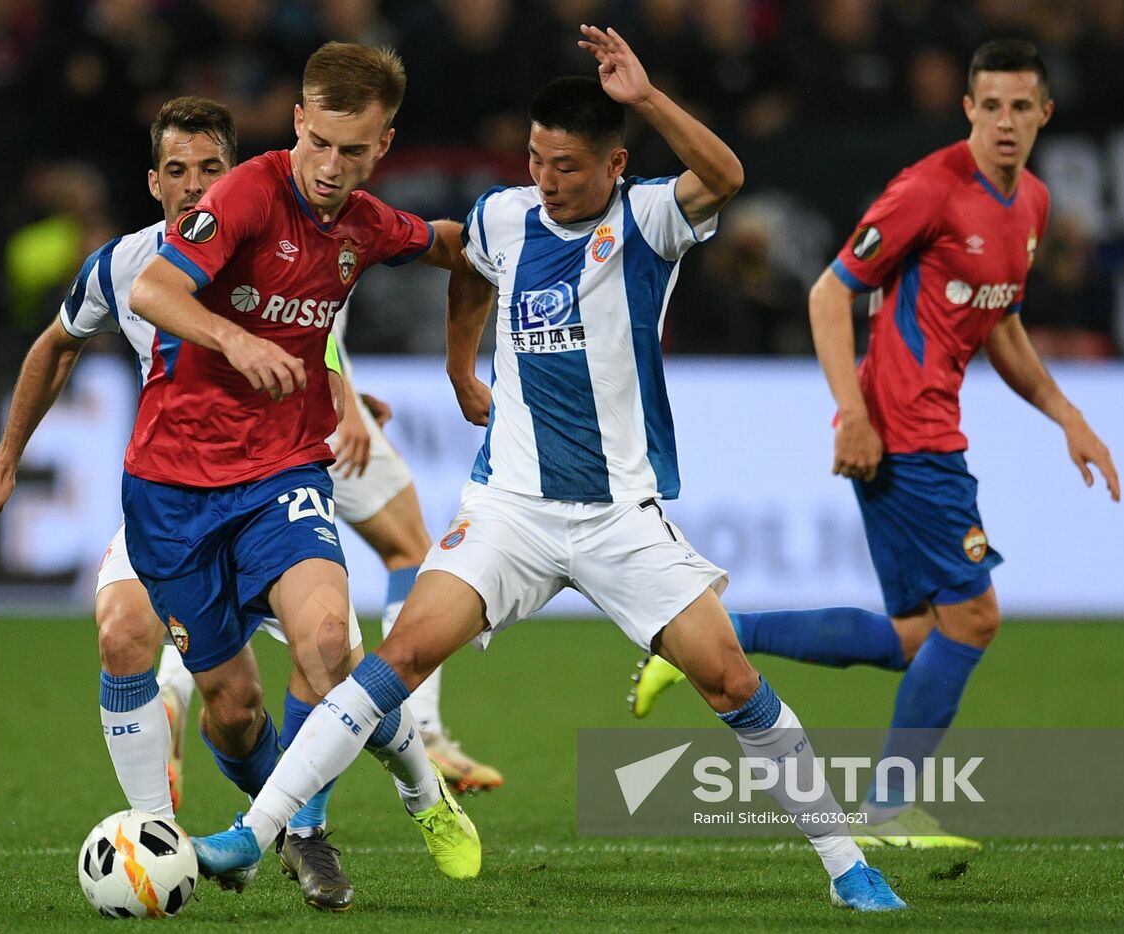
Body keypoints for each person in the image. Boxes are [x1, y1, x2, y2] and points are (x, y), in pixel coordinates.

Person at [189, 26, 906, 913]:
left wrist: (643, 94)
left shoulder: (646, 219)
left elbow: (724, 177)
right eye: (536, 159)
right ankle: (254, 833)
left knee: (728, 678)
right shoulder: (503, 215)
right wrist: (461, 365)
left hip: (617, 515)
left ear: (614, 164)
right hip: (511, 510)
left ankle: (848, 868)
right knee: (402, 651)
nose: (547, 179)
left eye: (567, 165)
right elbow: (469, 269)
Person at [631, 39, 1121, 849]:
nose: (1004, 122)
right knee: (974, 620)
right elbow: (831, 291)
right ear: (967, 108)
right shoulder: (927, 191)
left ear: (1044, 114)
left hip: (923, 427)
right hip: (905, 430)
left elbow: (999, 320)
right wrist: (852, 413)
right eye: (989, 106)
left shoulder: (1029, 204)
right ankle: (890, 811)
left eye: (1019, 107)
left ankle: (710, 635)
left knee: (918, 639)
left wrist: (1065, 413)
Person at [0, 96, 377, 910]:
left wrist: (352, 404)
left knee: (325, 645)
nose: (195, 187)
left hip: (269, 494)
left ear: (241, 173)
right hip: (174, 505)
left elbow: (321, 335)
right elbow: (55, 347)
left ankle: (305, 830)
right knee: (216, 697)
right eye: (178, 172)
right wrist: (6, 460)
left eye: (212, 169)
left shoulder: (274, 241)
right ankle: (160, 842)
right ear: (154, 182)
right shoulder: (126, 267)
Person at [122, 42, 482, 894]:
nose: (330, 166)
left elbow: (465, 251)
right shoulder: (245, 191)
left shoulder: (365, 222)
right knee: (235, 712)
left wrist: (461, 367)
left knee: (330, 645)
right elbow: (153, 292)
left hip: (282, 473)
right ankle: (287, 817)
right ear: (297, 122)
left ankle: (407, 798)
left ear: (383, 146)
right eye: (319, 142)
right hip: (172, 488)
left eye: (352, 151)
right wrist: (236, 338)